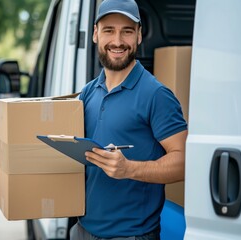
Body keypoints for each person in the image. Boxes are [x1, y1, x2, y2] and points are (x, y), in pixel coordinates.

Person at [70, 0, 188, 239]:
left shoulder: (156, 95)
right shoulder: (88, 92)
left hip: (132, 235)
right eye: (109, 30)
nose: (117, 41)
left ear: (139, 36)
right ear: (95, 34)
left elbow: (186, 161)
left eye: (127, 31)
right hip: (83, 230)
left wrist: (129, 169)